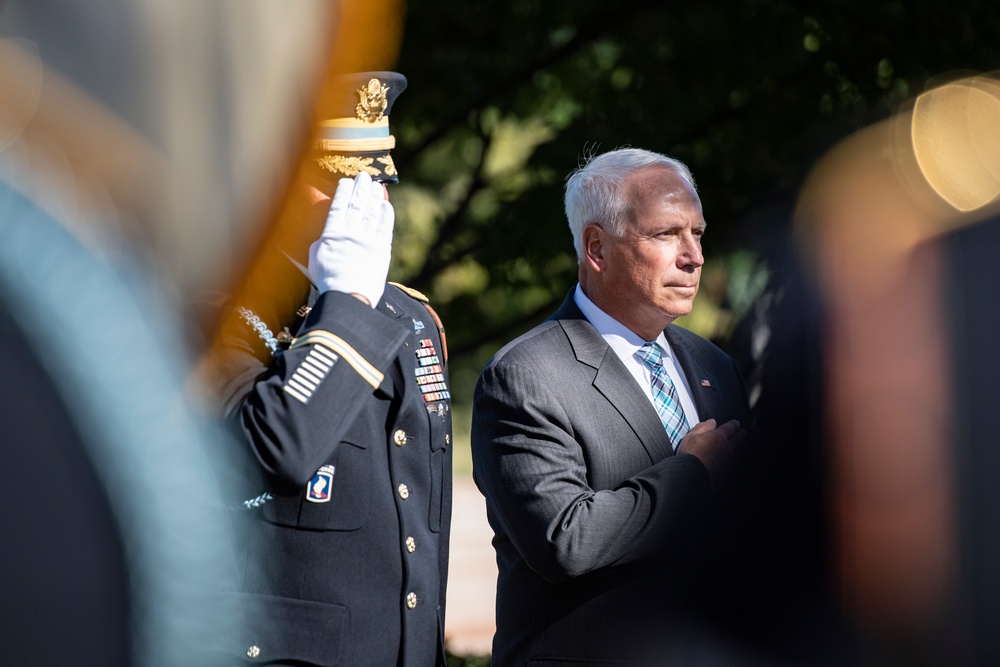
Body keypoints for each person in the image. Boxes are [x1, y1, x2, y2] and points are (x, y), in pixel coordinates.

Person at [205, 71, 454, 666]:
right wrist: (344, 307)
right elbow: (277, 451)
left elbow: (424, 517)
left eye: (377, 178)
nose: (362, 197)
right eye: (339, 178)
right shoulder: (215, 316)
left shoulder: (415, 319)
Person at [471, 147, 750, 666]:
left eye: (698, 233)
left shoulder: (713, 363)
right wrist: (694, 474)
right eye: (666, 234)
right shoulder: (525, 377)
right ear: (596, 246)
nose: (694, 256)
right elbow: (564, 540)